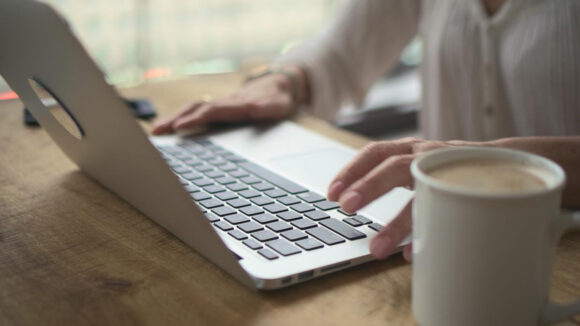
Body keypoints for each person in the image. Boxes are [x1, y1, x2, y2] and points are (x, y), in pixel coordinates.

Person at [152, 0, 580, 262]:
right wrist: (283, 81)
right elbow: (339, 54)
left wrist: (479, 165)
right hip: (445, 242)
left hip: (561, 253)